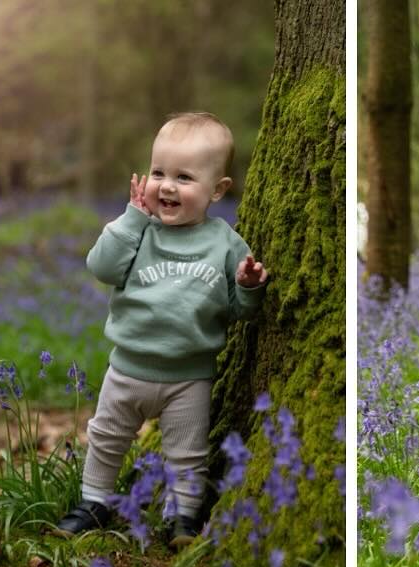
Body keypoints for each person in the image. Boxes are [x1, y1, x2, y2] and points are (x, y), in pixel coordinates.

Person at [57, 112, 265, 539]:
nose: (166, 186)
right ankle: (94, 502)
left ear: (217, 191)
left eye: (184, 178)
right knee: (107, 436)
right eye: (158, 173)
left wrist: (247, 287)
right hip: (128, 367)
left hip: (190, 376)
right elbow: (101, 266)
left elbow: (238, 310)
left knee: (187, 453)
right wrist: (131, 219)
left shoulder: (225, 242)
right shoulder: (139, 232)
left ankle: (182, 516)